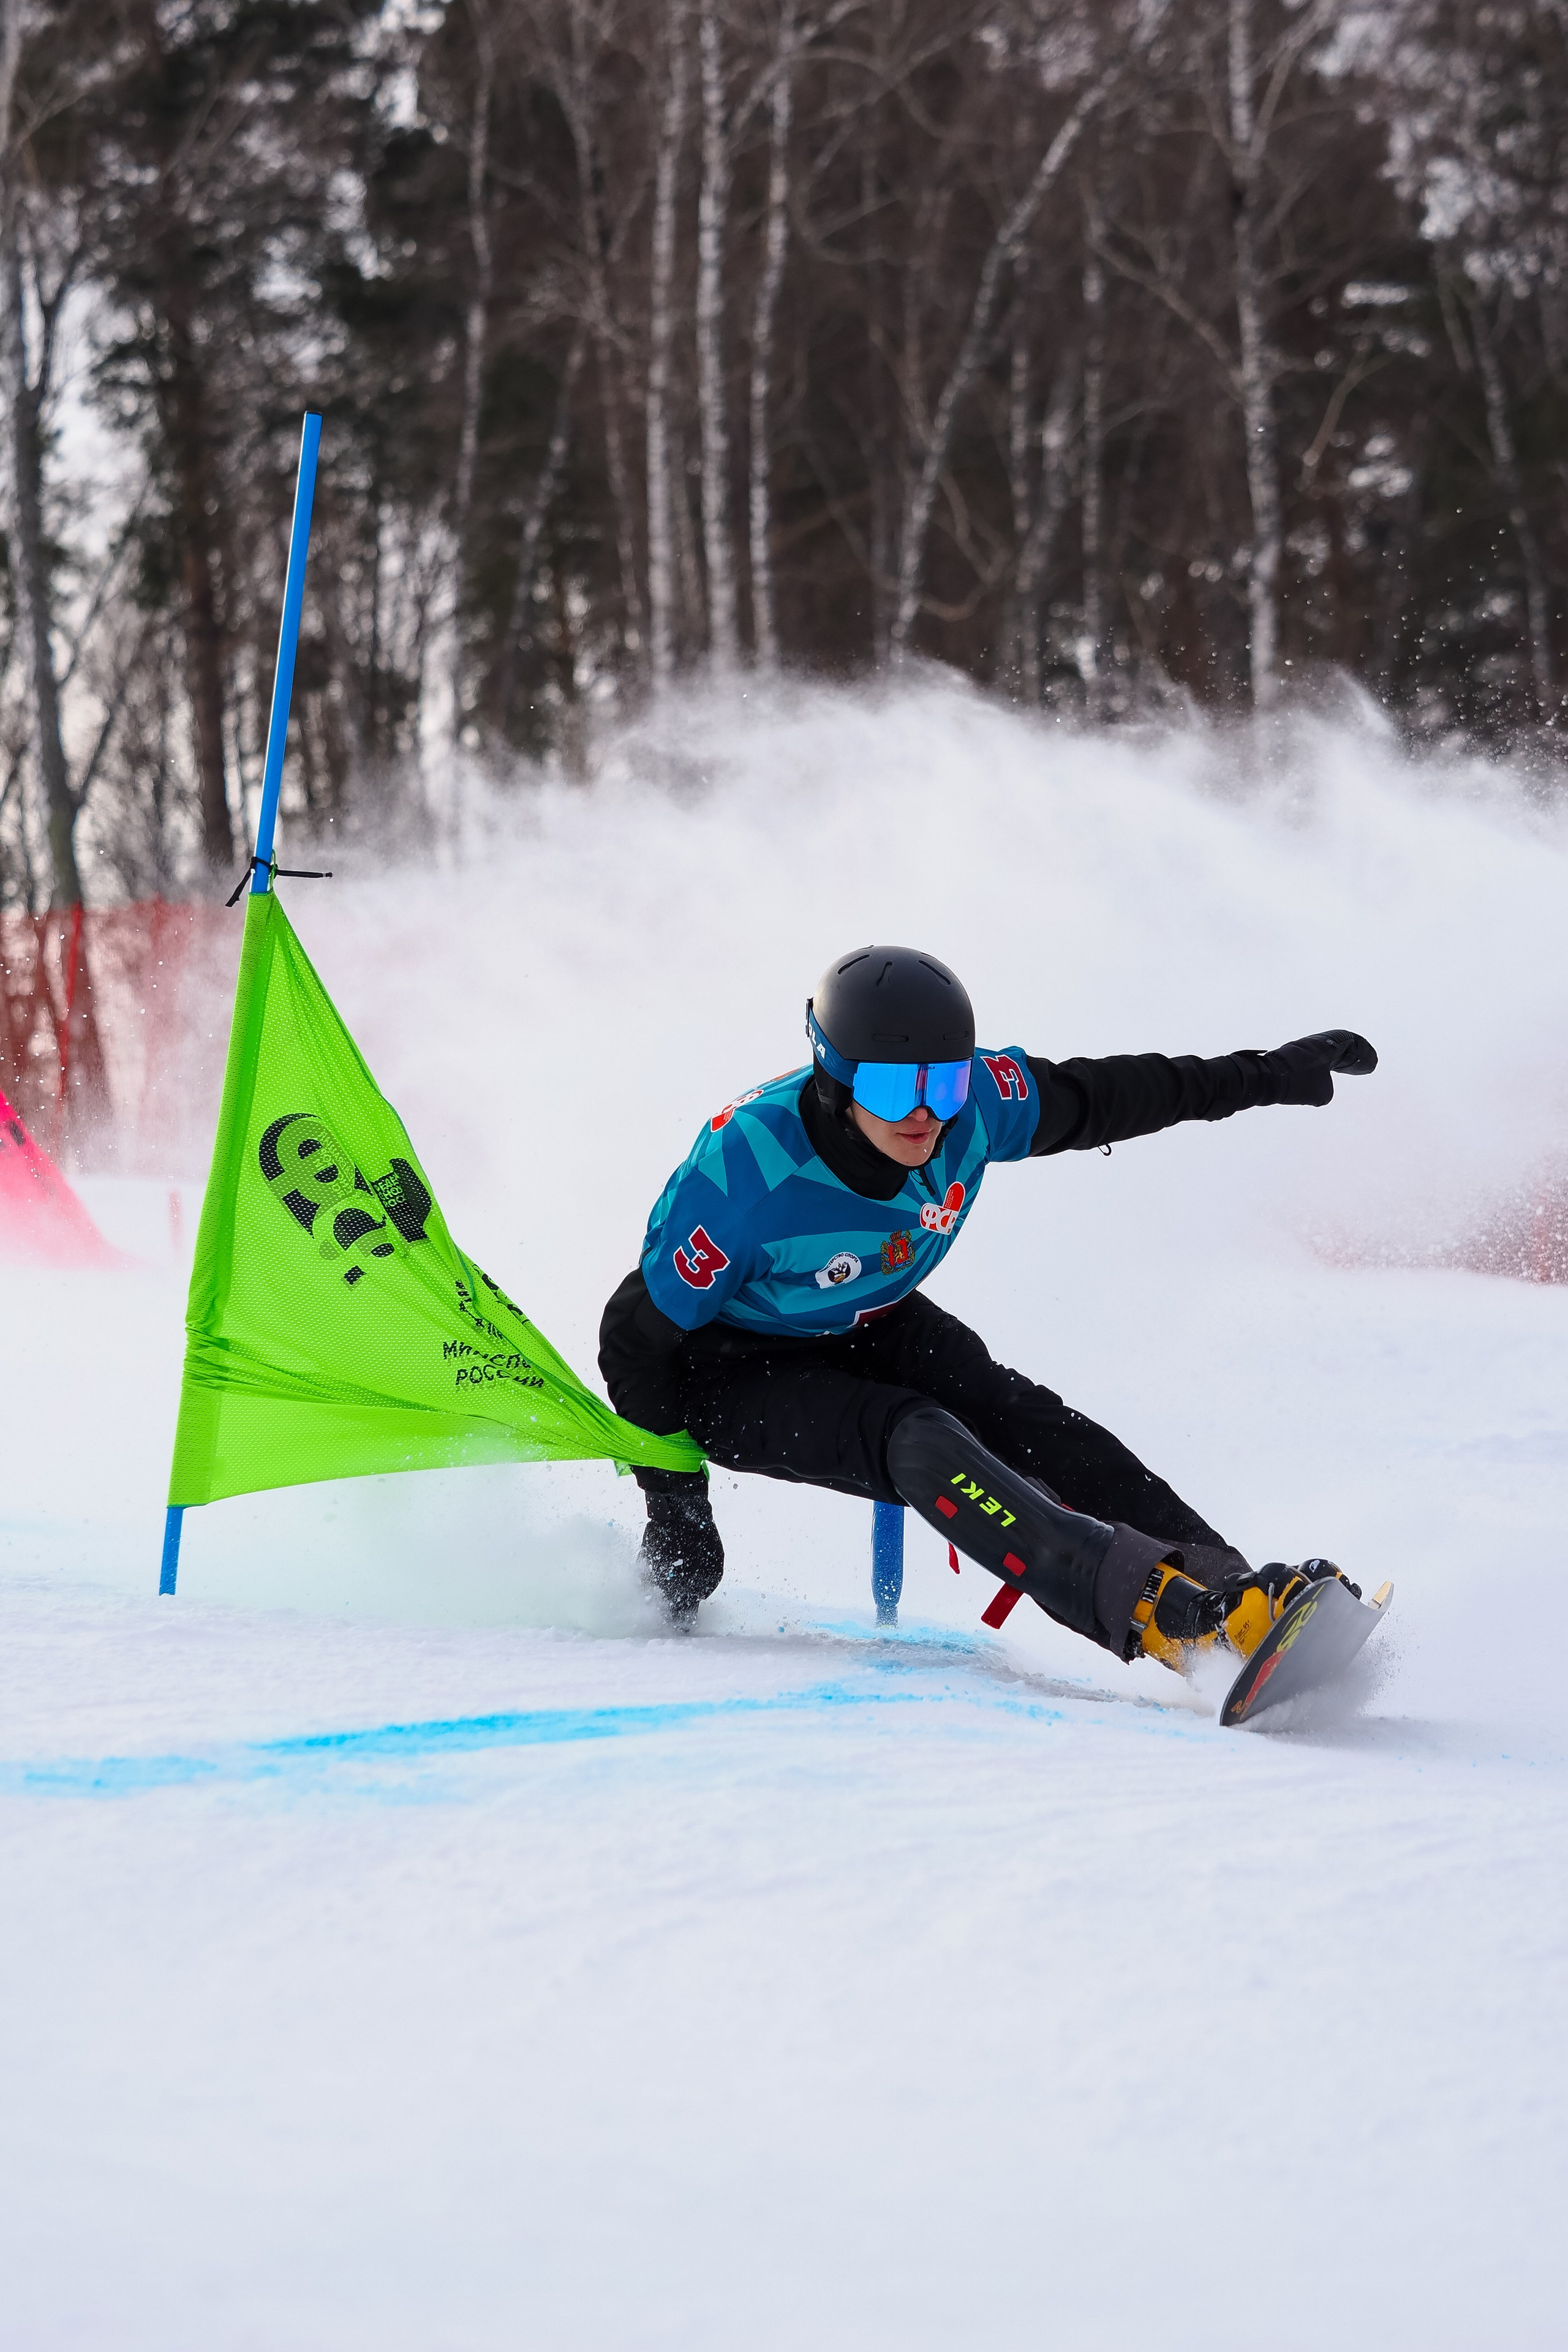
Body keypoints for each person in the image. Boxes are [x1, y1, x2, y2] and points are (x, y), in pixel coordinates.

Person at [598, 944, 1378, 1672]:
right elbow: (633, 1339)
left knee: (1021, 1416)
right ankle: (1169, 1620)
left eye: (944, 1082)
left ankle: (1234, 1605)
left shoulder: (975, 1105)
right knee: (919, 1436)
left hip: (865, 1315)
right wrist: (677, 1508)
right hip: (726, 1367)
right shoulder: (744, 1182)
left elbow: (1112, 1094)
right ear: (835, 1082)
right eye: (893, 1087)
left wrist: (1269, 1073)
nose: (926, 1113)